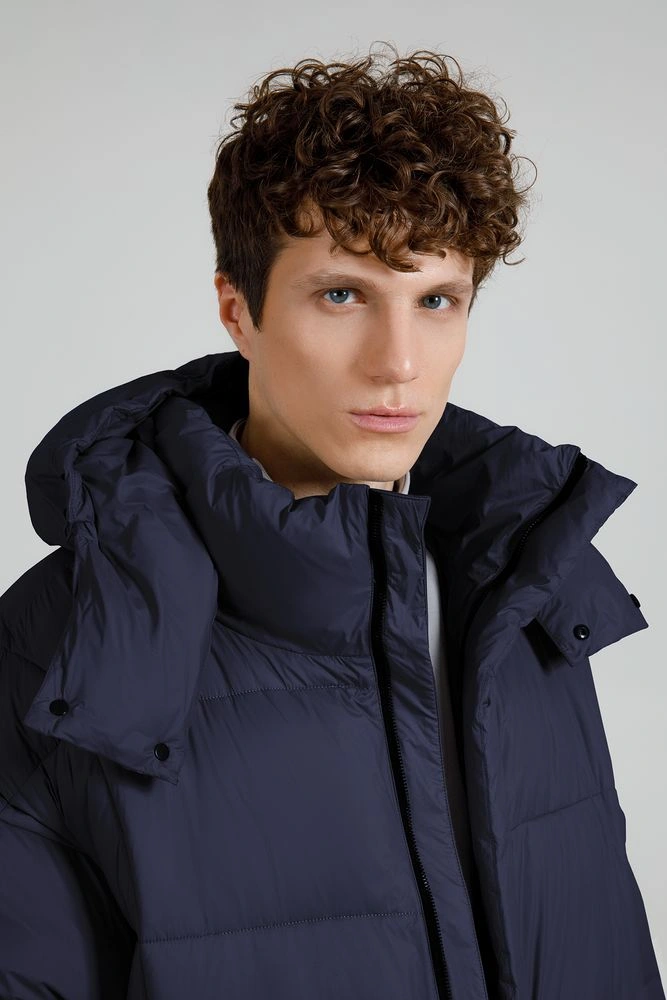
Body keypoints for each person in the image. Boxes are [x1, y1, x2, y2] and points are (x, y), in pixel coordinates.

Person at [0, 41, 663, 1000]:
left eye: (436, 300)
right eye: (342, 295)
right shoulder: (62, 642)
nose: (398, 362)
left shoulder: (527, 584)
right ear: (238, 310)